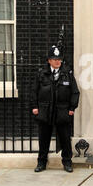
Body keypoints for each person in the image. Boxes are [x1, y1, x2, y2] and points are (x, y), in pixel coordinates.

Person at [31, 45, 80, 173]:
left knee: (65, 138)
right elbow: (34, 92)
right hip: (45, 110)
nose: (58, 61)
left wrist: (72, 108)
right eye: (54, 59)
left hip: (62, 110)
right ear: (49, 60)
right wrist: (35, 107)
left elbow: (75, 92)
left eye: (59, 59)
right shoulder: (42, 74)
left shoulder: (67, 74)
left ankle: (67, 162)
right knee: (44, 139)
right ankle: (41, 162)